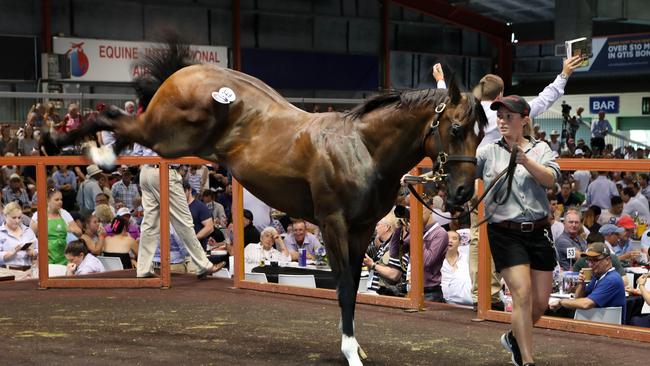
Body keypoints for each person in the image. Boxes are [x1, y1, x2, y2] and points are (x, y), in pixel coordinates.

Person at [476, 95, 560, 366]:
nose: (502, 121)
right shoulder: (487, 152)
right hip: (504, 231)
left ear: (524, 120)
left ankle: (513, 337)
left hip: (538, 231)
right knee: (522, 294)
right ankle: (526, 360)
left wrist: (525, 161)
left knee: (540, 304)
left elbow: (551, 180)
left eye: (509, 116)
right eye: (500, 116)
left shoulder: (541, 149)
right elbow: (461, 171)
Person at [132, 143, 221, 278]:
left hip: (145, 171)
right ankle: (203, 265)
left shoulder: (143, 120)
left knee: (150, 223)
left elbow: (136, 153)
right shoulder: (167, 121)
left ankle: (143, 268)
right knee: (184, 221)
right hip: (163, 169)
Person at [550, 242, 626, 323]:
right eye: (588, 260)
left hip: (609, 327)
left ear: (607, 260)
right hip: (595, 321)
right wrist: (581, 284)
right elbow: (578, 300)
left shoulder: (612, 279)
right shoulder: (597, 276)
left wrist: (561, 302)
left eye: (595, 260)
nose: (590, 264)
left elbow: (586, 304)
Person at [30, 188, 82, 264]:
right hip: (46, 256)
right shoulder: (39, 214)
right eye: (56, 200)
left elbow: (79, 233)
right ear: (48, 201)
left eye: (61, 199)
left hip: (63, 256)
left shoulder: (64, 214)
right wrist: (40, 220)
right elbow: (30, 235)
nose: (60, 202)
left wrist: (71, 229)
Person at [0, 202, 38, 270]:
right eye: (14, 218)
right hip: (8, 272)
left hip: (28, 270)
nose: (17, 221)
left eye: (19, 217)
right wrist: (11, 253)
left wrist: (33, 253)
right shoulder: (1, 233)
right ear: (5, 216)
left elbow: (38, 249)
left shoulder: (28, 231)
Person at [441, 230, 472, 305]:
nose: (450, 241)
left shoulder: (467, 258)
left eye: (454, 238)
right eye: (447, 238)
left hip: (469, 304)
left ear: (459, 242)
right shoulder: (436, 259)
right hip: (444, 304)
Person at [184, 182, 213, 250]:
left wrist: (193, 239)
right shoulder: (179, 206)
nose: (181, 195)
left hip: (197, 248)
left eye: (184, 192)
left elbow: (210, 227)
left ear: (189, 190)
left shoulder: (200, 206)